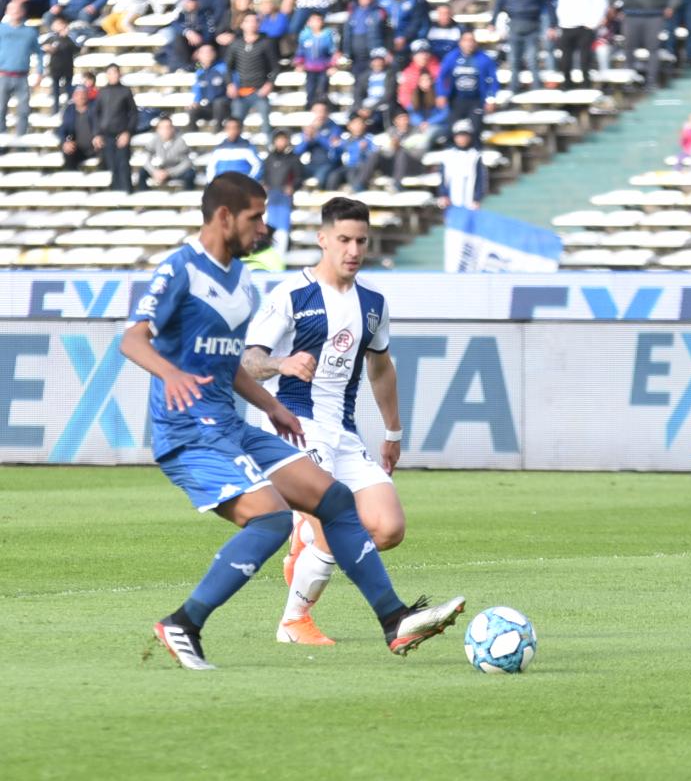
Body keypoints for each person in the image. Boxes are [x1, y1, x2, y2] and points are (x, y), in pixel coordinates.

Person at [120, 173, 465, 670]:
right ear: (224, 217)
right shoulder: (181, 269)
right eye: (255, 217)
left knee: (336, 501)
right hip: (188, 433)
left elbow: (227, 364)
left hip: (230, 425)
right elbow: (132, 339)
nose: (264, 227)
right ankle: (185, 623)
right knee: (273, 518)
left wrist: (272, 405)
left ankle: (394, 620)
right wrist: (171, 374)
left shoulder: (241, 280)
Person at [241, 197, 408, 643]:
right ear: (322, 240)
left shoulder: (373, 303)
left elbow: (380, 367)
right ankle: (294, 621)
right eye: (344, 240)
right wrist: (282, 364)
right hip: (292, 425)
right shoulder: (291, 296)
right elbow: (250, 360)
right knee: (335, 521)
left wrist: (393, 430)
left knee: (388, 528)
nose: (353, 250)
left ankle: (306, 547)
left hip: (343, 431)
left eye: (361, 241)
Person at [544, 0, 608, 86]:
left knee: (585, 59)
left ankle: (586, 85)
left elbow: (602, 2)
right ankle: (567, 85)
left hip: (585, 26)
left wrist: (594, 22)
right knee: (565, 59)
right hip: (566, 25)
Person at [495, 0, 554, 91]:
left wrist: (552, 24)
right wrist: (493, 22)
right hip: (514, 24)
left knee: (533, 59)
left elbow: (547, 3)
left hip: (532, 24)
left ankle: (536, 87)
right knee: (514, 59)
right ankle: (514, 86)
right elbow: (499, 3)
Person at [435, 29, 499, 137]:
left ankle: (475, 150)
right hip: (456, 99)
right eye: (466, 40)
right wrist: (441, 94)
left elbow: (493, 80)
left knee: (475, 128)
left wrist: (491, 99)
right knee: (452, 128)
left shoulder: (484, 59)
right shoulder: (452, 57)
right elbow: (442, 77)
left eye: (471, 40)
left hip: (476, 100)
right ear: (460, 42)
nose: (469, 43)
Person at [224, 13, 279, 132]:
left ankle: (269, 146)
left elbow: (275, 67)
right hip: (240, 92)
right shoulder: (235, 44)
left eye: (255, 21)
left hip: (259, 92)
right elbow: (228, 67)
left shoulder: (266, 43)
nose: (252, 24)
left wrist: (269, 84)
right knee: (235, 125)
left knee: (266, 123)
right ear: (242, 25)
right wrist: (230, 84)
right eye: (248, 21)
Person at [0, 2, 42, 138]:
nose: (15, 12)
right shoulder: (1, 29)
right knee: (0, 109)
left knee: (23, 110)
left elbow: (39, 53)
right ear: (7, 11)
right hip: (3, 75)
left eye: (18, 9)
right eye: (12, 9)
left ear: (23, 12)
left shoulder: (30, 32)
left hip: (22, 77)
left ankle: (21, 138)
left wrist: (39, 72)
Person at [94, 64, 137, 193]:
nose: (114, 75)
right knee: (112, 166)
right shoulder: (102, 92)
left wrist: (128, 132)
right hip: (106, 135)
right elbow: (96, 114)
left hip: (121, 134)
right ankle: (115, 195)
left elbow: (133, 114)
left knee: (123, 165)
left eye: (116, 72)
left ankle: (126, 194)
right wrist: (97, 133)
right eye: (111, 73)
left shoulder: (125, 91)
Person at [437, 119, 488, 209]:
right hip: (452, 201)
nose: (462, 138)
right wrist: (443, 194)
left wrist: (477, 198)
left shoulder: (475, 155)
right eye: (459, 135)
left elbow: (480, 178)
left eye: (464, 135)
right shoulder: (447, 155)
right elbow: (443, 177)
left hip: (469, 201)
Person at [294, 10, 339, 108]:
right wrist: (299, 64)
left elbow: (334, 52)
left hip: (323, 69)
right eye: (313, 20)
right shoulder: (304, 35)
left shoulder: (328, 35)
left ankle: (323, 109)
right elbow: (300, 51)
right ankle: (310, 109)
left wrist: (333, 66)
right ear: (308, 22)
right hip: (310, 69)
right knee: (310, 90)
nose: (316, 23)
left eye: (318, 20)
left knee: (322, 90)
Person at [138, 116, 197, 190]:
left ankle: (188, 198)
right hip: (159, 170)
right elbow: (146, 158)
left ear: (173, 129)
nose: (166, 130)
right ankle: (144, 196)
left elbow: (187, 162)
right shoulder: (154, 140)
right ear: (158, 130)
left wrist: (169, 173)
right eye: (162, 128)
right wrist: (154, 172)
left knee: (190, 174)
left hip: (175, 170)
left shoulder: (180, 141)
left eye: (168, 127)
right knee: (142, 173)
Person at [188, 44, 232, 131]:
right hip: (207, 106)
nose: (207, 54)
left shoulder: (223, 67)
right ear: (198, 55)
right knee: (192, 109)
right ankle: (192, 133)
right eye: (204, 52)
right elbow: (197, 87)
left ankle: (218, 130)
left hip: (224, 106)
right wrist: (195, 101)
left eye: (210, 51)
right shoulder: (199, 70)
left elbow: (231, 84)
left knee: (218, 103)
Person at [208, 117, 264, 182]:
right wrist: (213, 184)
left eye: (234, 128)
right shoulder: (219, 149)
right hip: (222, 187)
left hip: (242, 187)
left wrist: (248, 183)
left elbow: (258, 166)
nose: (232, 131)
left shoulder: (248, 147)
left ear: (240, 129)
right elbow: (210, 169)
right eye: (229, 128)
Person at [57, 86, 98, 170]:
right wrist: (65, 142)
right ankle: (71, 181)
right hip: (78, 150)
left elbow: (103, 125)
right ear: (73, 97)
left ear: (87, 95)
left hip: (96, 148)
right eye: (77, 95)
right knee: (68, 152)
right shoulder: (69, 111)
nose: (81, 97)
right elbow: (62, 130)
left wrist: (99, 136)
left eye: (83, 94)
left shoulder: (95, 108)